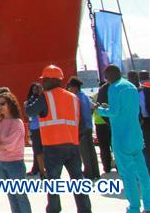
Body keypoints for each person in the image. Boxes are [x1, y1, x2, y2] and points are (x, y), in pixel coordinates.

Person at [24, 64, 91, 213]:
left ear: (50, 80)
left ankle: (54, 210)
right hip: (72, 146)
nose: (42, 83)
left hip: (53, 147)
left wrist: (34, 96)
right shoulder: (73, 98)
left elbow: (29, 111)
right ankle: (85, 210)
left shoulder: (45, 97)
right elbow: (81, 124)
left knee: (53, 183)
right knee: (78, 181)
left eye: (44, 80)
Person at [97, 64, 150, 213]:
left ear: (110, 76)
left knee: (128, 176)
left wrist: (100, 109)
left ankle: (133, 207)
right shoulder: (131, 87)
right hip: (136, 137)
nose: (106, 80)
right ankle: (148, 205)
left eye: (106, 77)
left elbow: (114, 112)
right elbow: (129, 109)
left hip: (121, 138)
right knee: (143, 173)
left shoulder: (114, 88)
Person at [0, 91, 31, 213]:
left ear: (10, 104)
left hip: (14, 163)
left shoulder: (17, 122)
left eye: (2, 104)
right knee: (11, 196)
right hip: (0, 163)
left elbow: (9, 144)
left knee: (20, 196)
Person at [66, 76, 100, 179]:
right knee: (91, 151)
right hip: (89, 127)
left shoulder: (75, 98)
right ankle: (96, 173)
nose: (68, 89)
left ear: (75, 88)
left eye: (70, 87)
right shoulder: (85, 96)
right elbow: (93, 107)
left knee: (85, 153)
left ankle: (88, 174)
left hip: (81, 128)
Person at [24, 83, 47, 177]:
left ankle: (40, 170)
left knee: (38, 150)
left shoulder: (32, 101)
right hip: (38, 127)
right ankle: (41, 170)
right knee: (38, 150)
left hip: (39, 127)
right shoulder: (35, 100)